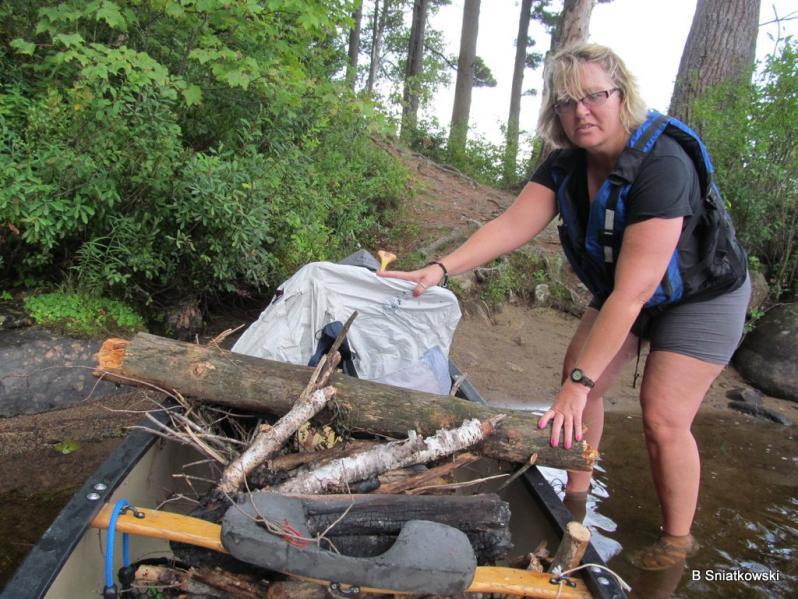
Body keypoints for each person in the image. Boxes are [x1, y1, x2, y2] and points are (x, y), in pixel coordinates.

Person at [378, 43, 751, 570]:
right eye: (566, 101)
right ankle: (576, 496)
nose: (581, 111)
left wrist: (576, 387)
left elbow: (634, 293)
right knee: (579, 379)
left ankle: (676, 544)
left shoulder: (663, 164)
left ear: (622, 96)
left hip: (701, 295)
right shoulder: (565, 164)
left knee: (661, 416)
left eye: (594, 96)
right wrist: (440, 269)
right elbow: (510, 226)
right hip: (628, 288)